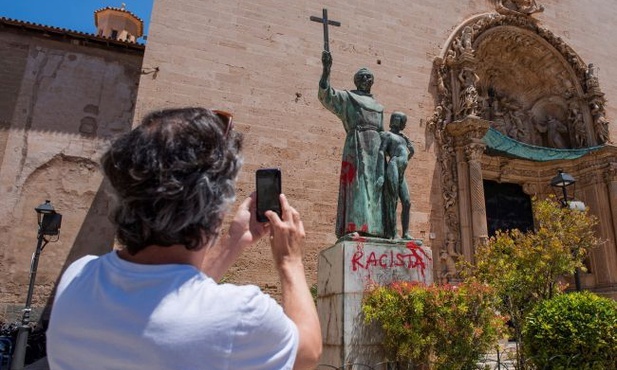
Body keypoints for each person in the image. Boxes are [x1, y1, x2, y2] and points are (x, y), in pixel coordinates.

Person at [46, 108, 322, 370]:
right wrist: (290, 260)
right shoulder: (239, 315)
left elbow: (171, 293)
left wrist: (233, 242)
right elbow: (307, 352)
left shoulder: (77, 278)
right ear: (214, 209)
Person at [319, 50, 385, 239]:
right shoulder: (348, 97)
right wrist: (326, 70)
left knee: (376, 187)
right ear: (357, 80)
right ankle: (355, 226)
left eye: (369, 77)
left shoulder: (378, 106)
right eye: (363, 76)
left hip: (376, 150)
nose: (366, 79)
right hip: (357, 146)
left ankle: (375, 229)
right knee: (357, 185)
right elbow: (327, 96)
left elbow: (382, 131)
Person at [378, 112, 414, 239]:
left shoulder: (404, 138)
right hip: (393, 166)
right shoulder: (387, 135)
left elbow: (410, 153)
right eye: (403, 121)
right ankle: (392, 232)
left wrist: (409, 148)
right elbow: (381, 152)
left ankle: (406, 233)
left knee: (407, 202)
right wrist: (381, 174)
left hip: (401, 171)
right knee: (392, 200)